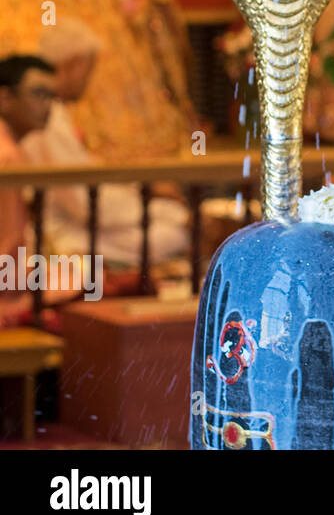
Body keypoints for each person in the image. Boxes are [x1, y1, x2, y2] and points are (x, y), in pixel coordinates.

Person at [21, 21, 192, 270]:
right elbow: (83, 203)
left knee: (172, 223)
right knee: (173, 233)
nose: (88, 81)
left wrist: (148, 194)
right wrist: (164, 209)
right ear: (74, 64)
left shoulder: (53, 113)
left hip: (77, 222)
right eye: (88, 70)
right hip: (62, 233)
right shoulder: (49, 117)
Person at [0, 55, 55, 327]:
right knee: (95, 281)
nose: (48, 106)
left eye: (51, 97)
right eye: (38, 94)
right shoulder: (8, 156)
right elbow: (8, 248)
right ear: (5, 98)